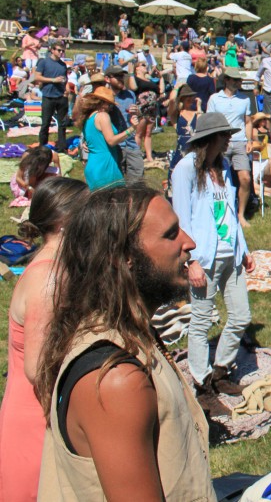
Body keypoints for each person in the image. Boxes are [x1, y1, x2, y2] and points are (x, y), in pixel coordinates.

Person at [34, 184, 216, 500]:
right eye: (171, 234)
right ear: (124, 258)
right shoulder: (115, 379)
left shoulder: (129, 333)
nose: (189, 242)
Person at [0, 178, 88, 502]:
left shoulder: (59, 268)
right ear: (65, 221)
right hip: (37, 420)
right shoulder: (48, 279)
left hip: (43, 413)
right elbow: (37, 369)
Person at [171, 113, 255, 416]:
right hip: (203, 258)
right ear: (210, 138)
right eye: (224, 135)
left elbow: (229, 212)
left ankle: (220, 371)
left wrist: (243, 249)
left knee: (241, 316)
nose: (228, 139)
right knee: (202, 322)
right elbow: (180, 216)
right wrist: (189, 261)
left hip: (230, 256)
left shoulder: (222, 167)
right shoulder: (185, 170)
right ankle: (203, 384)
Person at [207, 68, 255, 228]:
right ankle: (224, 212)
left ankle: (240, 215)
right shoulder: (214, 98)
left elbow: (248, 121)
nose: (237, 83)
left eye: (239, 80)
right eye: (234, 80)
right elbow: (210, 121)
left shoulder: (245, 99)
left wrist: (249, 140)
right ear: (226, 80)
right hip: (221, 143)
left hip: (240, 141)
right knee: (219, 180)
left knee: (245, 178)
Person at [74, 86, 139, 191]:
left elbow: (91, 140)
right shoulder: (102, 116)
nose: (110, 108)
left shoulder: (89, 117)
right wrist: (131, 129)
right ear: (102, 102)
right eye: (109, 104)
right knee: (114, 202)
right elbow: (111, 141)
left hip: (92, 164)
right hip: (105, 165)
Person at [105, 65, 144, 182]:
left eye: (122, 76)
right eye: (117, 77)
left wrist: (137, 112)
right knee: (117, 181)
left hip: (131, 143)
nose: (122, 79)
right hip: (115, 145)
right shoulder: (104, 97)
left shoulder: (130, 95)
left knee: (138, 181)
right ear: (107, 79)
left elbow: (137, 117)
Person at [34, 40, 68, 151]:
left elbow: (64, 79)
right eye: (59, 50)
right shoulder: (44, 62)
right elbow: (37, 77)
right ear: (52, 50)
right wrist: (53, 80)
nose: (61, 52)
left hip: (61, 97)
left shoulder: (63, 65)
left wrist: (65, 87)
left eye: (62, 51)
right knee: (46, 124)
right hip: (48, 96)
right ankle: (42, 147)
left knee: (62, 124)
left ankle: (62, 147)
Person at [128, 62, 164, 163]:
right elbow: (133, 88)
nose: (146, 66)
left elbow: (160, 90)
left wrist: (161, 78)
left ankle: (149, 156)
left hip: (152, 109)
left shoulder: (149, 80)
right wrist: (131, 73)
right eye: (143, 65)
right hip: (141, 109)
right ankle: (136, 155)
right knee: (139, 133)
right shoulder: (135, 78)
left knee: (148, 133)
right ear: (137, 68)